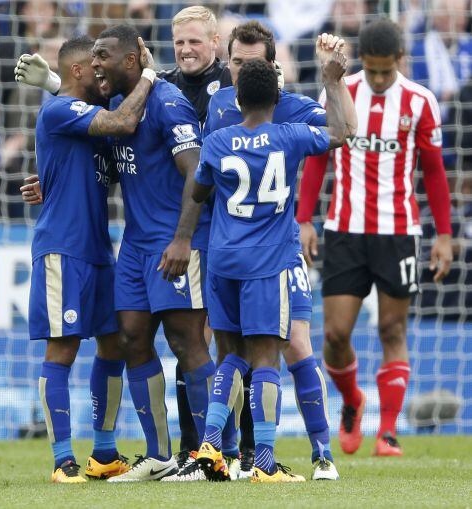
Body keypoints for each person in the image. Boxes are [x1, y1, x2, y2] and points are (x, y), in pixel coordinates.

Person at [16, 7, 232, 479]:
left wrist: (183, 238)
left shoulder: (164, 100)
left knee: (186, 342)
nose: (97, 70)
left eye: (104, 62)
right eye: (91, 64)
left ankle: (220, 453)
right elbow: (94, 133)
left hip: (170, 244)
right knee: (128, 339)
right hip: (122, 247)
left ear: (131, 61)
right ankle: (154, 456)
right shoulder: (112, 107)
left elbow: (196, 170)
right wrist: (48, 179)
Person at [193, 44, 355, 483]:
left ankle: (210, 443)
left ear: (237, 98)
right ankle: (264, 461)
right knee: (266, 356)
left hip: (223, 260)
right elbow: (342, 133)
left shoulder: (216, 141)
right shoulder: (292, 135)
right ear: (277, 95)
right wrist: (333, 82)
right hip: (268, 263)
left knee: (228, 355)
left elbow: (197, 193)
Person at [297, 18, 453, 457]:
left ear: (399, 60)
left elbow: (435, 173)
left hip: (398, 232)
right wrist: (304, 218)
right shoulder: (340, 89)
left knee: (391, 328)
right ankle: (352, 401)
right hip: (344, 229)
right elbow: (317, 160)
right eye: (373, 69)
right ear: (361, 61)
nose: (380, 78)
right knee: (336, 335)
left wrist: (444, 234)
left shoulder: (420, 102)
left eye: (387, 70)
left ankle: (387, 432)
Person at [29, 35, 156, 483]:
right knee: (62, 348)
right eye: (97, 69)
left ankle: (103, 453)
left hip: (99, 251)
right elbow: (123, 121)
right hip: (63, 249)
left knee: (113, 344)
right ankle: (63, 461)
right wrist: (151, 76)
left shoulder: (83, 121)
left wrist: (48, 179)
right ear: (78, 71)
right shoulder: (61, 109)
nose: (104, 76)